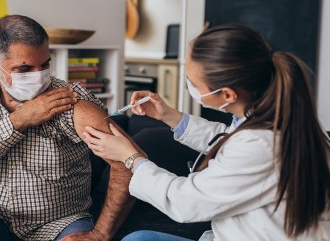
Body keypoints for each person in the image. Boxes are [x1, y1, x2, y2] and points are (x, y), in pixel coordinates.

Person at [83, 24, 330, 240]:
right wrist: (168, 115)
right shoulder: (272, 117)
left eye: (193, 82)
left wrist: (131, 158)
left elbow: (185, 202)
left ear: (227, 94)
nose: (189, 86)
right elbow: (226, 137)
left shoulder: (260, 144)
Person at [0, 15, 143, 241]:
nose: (39, 77)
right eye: (24, 69)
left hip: (60, 223)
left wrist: (101, 234)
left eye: (44, 65)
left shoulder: (69, 99)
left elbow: (128, 161)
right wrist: (20, 120)